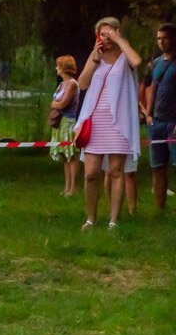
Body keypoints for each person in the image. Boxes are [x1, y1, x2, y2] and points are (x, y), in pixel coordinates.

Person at [75, 17, 142, 230]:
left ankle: (113, 220)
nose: (107, 38)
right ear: (97, 36)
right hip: (96, 120)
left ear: (118, 32)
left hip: (119, 121)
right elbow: (83, 84)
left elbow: (137, 61)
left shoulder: (125, 54)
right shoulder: (96, 56)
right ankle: (91, 218)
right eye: (103, 34)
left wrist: (120, 40)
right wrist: (94, 59)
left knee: (115, 170)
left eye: (110, 33)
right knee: (91, 173)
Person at [143, 22, 176, 209]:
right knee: (157, 165)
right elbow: (153, 89)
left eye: (164, 38)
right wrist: (148, 114)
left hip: (173, 121)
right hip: (156, 121)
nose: (161, 42)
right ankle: (160, 209)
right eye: (158, 38)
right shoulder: (156, 63)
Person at [49, 55, 81, 197]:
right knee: (63, 155)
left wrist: (55, 104)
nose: (56, 68)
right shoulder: (61, 84)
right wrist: (56, 104)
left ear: (64, 67)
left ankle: (73, 187)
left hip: (68, 122)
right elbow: (56, 102)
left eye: (58, 65)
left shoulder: (72, 84)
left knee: (71, 155)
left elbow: (62, 103)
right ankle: (66, 186)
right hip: (60, 123)